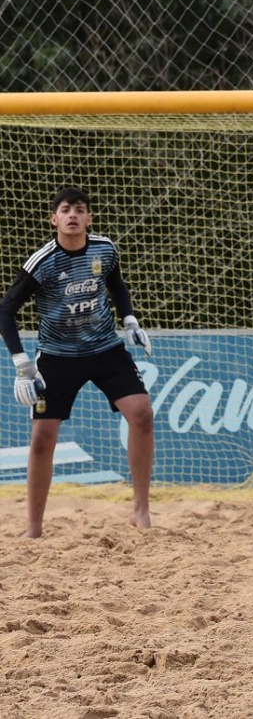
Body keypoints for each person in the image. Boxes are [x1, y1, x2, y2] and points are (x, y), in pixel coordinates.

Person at [0, 187, 155, 538]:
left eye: (80, 209)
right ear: (54, 219)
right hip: (56, 357)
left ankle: (141, 511)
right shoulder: (42, 262)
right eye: (66, 210)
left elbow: (116, 285)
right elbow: (6, 311)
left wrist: (129, 320)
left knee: (142, 414)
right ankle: (34, 528)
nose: (73, 215)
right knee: (42, 438)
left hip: (105, 349)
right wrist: (22, 364)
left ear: (89, 218)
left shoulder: (105, 249)